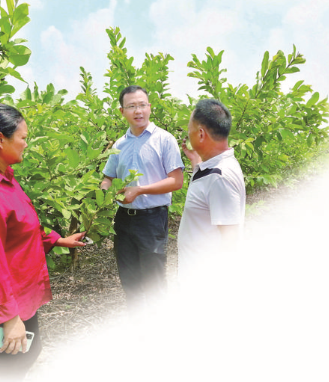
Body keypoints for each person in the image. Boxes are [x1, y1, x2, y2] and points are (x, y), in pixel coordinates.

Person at [0, 103, 86, 382]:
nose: (25, 144)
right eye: (22, 137)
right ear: (0, 139)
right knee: (5, 371)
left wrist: (57, 240)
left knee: (28, 355)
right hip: (1, 304)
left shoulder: (2, 179)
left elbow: (18, 228)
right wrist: (9, 319)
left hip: (16, 295)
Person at [101, 85, 184, 311]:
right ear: (122, 111)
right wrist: (104, 194)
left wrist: (140, 190)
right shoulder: (119, 145)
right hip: (123, 220)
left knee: (154, 280)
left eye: (142, 105)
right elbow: (108, 177)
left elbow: (176, 181)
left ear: (149, 107)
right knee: (130, 281)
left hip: (152, 219)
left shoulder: (164, 140)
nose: (138, 111)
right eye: (131, 106)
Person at [178, 98, 246, 286]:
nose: (187, 133)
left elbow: (229, 240)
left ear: (200, 134)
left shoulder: (219, 177)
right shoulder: (213, 168)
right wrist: (195, 160)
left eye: (189, 128)